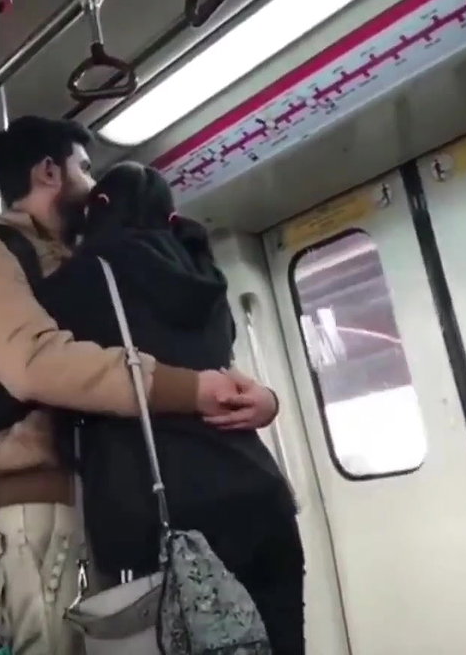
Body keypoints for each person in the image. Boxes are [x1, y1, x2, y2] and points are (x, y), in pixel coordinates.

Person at [0, 116, 271, 655]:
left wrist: (252, 394)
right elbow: (36, 363)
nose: (95, 185)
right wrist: (189, 390)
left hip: (121, 495)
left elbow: (161, 346)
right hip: (46, 500)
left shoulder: (92, 252)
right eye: (85, 168)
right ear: (50, 171)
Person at [36, 162, 304, 654]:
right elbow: (226, 369)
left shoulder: (84, 279)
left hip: (157, 512)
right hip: (259, 495)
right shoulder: (207, 274)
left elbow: (10, 379)